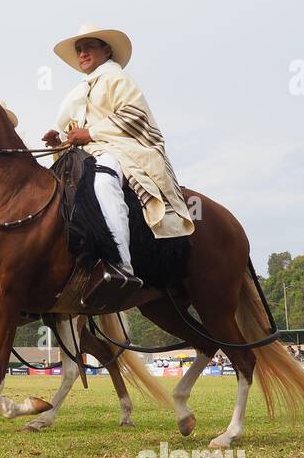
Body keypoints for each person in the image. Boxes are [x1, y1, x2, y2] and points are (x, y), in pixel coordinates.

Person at [42, 23, 194, 291]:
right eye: (79, 50)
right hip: (89, 153)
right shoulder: (79, 91)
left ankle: (121, 264)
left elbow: (135, 117)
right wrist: (60, 143)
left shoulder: (118, 79)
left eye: (88, 47)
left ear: (106, 50)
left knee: (103, 181)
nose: (82, 53)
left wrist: (89, 133)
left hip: (123, 150)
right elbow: (74, 134)